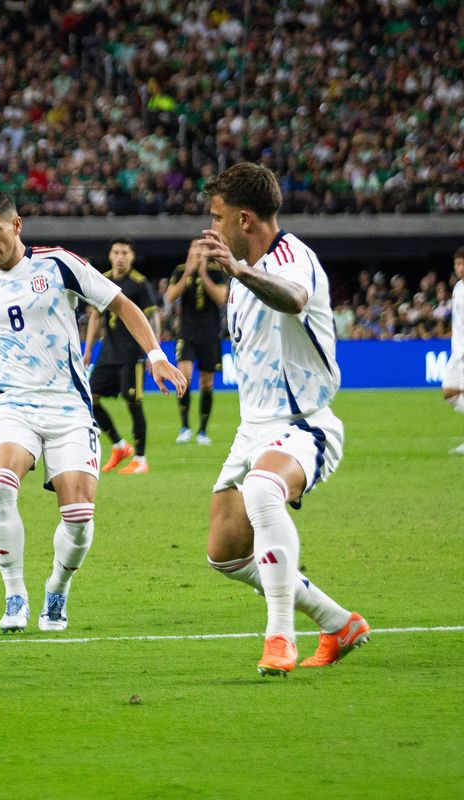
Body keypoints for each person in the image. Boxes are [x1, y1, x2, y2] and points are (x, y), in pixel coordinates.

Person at [0, 193, 186, 633]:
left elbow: (121, 304)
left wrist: (155, 354)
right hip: (13, 406)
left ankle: (57, 588)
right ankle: (15, 595)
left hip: (70, 408)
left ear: (17, 225)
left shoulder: (57, 265)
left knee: (79, 517)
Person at [198, 162, 369, 677]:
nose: (213, 227)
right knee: (225, 553)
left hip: (305, 422)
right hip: (252, 428)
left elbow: (294, 298)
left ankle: (279, 636)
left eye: (219, 216)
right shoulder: (242, 277)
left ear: (245, 220)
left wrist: (240, 271)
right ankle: (337, 622)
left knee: (263, 490)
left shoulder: (294, 259)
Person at [83, 240, 160, 475]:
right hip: (108, 353)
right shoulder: (102, 280)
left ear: (132, 257)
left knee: (133, 403)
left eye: (125, 253)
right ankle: (119, 445)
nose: (120, 257)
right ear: (110, 255)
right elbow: (95, 317)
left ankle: (140, 458)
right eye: (116, 252)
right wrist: (87, 351)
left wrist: (153, 352)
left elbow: (153, 317)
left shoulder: (139, 283)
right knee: (90, 398)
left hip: (133, 355)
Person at [164, 238, 228, 445]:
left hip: (210, 335)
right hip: (186, 334)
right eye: (195, 250)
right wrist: (188, 274)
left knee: (206, 383)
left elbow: (221, 298)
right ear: (189, 252)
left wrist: (202, 274)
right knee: (185, 376)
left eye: (202, 251)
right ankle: (184, 427)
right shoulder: (180, 270)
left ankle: (202, 431)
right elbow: (171, 296)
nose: (199, 254)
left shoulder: (216, 271)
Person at [445, 246, 464, 454]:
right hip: (457, 351)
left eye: (461, 263)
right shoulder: (458, 287)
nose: (458, 268)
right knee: (449, 392)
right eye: (456, 264)